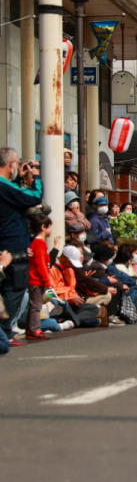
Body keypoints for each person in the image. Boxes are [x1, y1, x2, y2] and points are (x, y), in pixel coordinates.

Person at [0, 149, 42, 353]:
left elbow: (15, 195)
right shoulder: (4, 184)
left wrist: (21, 179)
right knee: (14, 290)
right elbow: (34, 197)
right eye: (17, 163)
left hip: (6, 243)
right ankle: (4, 331)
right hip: (12, 245)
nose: (18, 166)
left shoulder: (7, 187)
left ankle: (5, 331)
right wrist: (35, 177)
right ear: (10, 164)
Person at [23, 212, 54, 342]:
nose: (51, 229)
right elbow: (41, 263)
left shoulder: (35, 243)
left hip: (34, 278)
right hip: (37, 279)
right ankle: (34, 328)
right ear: (43, 227)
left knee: (36, 304)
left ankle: (32, 328)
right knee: (36, 305)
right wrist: (47, 280)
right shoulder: (40, 243)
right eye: (50, 227)